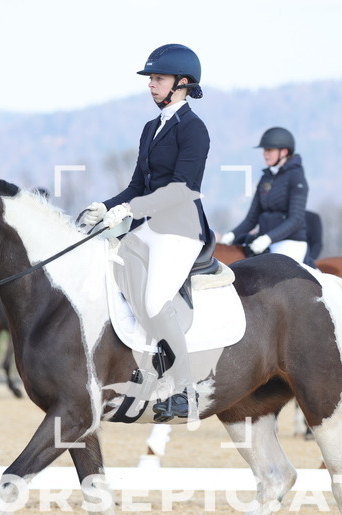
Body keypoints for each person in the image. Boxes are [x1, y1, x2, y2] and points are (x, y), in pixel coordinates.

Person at [80, 44, 211, 424]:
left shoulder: (194, 129)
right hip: (149, 226)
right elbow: (137, 185)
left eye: (158, 78)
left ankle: (185, 391)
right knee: (113, 272)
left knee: (154, 302)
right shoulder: (151, 128)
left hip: (180, 230)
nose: (151, 85)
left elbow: (184, 188)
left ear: (182, 84)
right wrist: (107, 206)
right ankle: (142, 366)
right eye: (151, 79)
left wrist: (131, 210)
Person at [219, 127, 309, 264]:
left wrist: (268, 238)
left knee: (280, 276)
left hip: (289, 242)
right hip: (263, 242)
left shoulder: (296, 178)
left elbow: (295, 219)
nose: (264, 154)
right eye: (264, 150)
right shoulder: (265, 178)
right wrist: (231, 235)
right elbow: (252, 218)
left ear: (283, 152)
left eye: (269, 150)